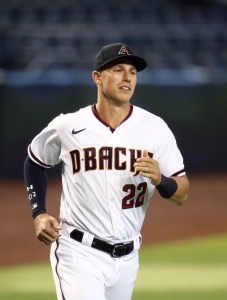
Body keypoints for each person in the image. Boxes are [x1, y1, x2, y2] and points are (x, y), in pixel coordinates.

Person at [24, 43, 189, 300]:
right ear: (97, 77)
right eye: (118, 69)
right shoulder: (69, 125)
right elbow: (34, 161)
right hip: (78, 251)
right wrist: (39, 213)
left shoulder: (155, 128)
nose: (127, 78)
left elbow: (182, 193)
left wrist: (161, 180)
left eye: (133, 72)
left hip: (128, 258)